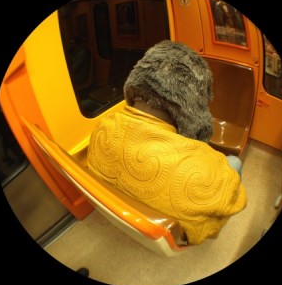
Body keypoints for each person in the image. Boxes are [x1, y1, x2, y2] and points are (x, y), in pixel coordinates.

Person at [87, 40, 247, 245]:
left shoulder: (103, 127)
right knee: (234, 162)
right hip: (171, 232)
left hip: (124, 207)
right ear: (192, 103)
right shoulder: (203, 171)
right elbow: (235, 199)